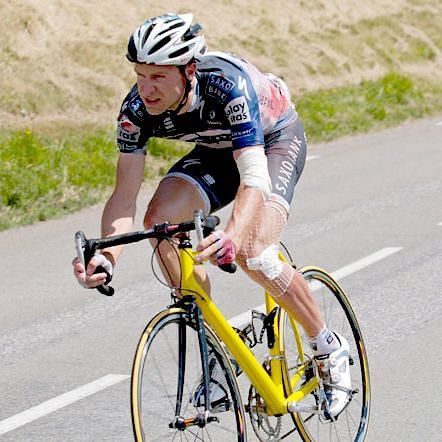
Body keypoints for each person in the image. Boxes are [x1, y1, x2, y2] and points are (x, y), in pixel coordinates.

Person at [72, 13, 351, 419]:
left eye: (158, 77)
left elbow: (253, 178)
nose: (145, 88)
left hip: (272, 143)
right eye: (140, 75)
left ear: (189, 71)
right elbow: (124, 196)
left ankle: (328, 346)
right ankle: (218, 345)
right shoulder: (135, 109)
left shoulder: (227, 87)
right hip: (216, 152)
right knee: (161, 222)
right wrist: (106, 257)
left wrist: (233, 237)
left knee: (253, 250)